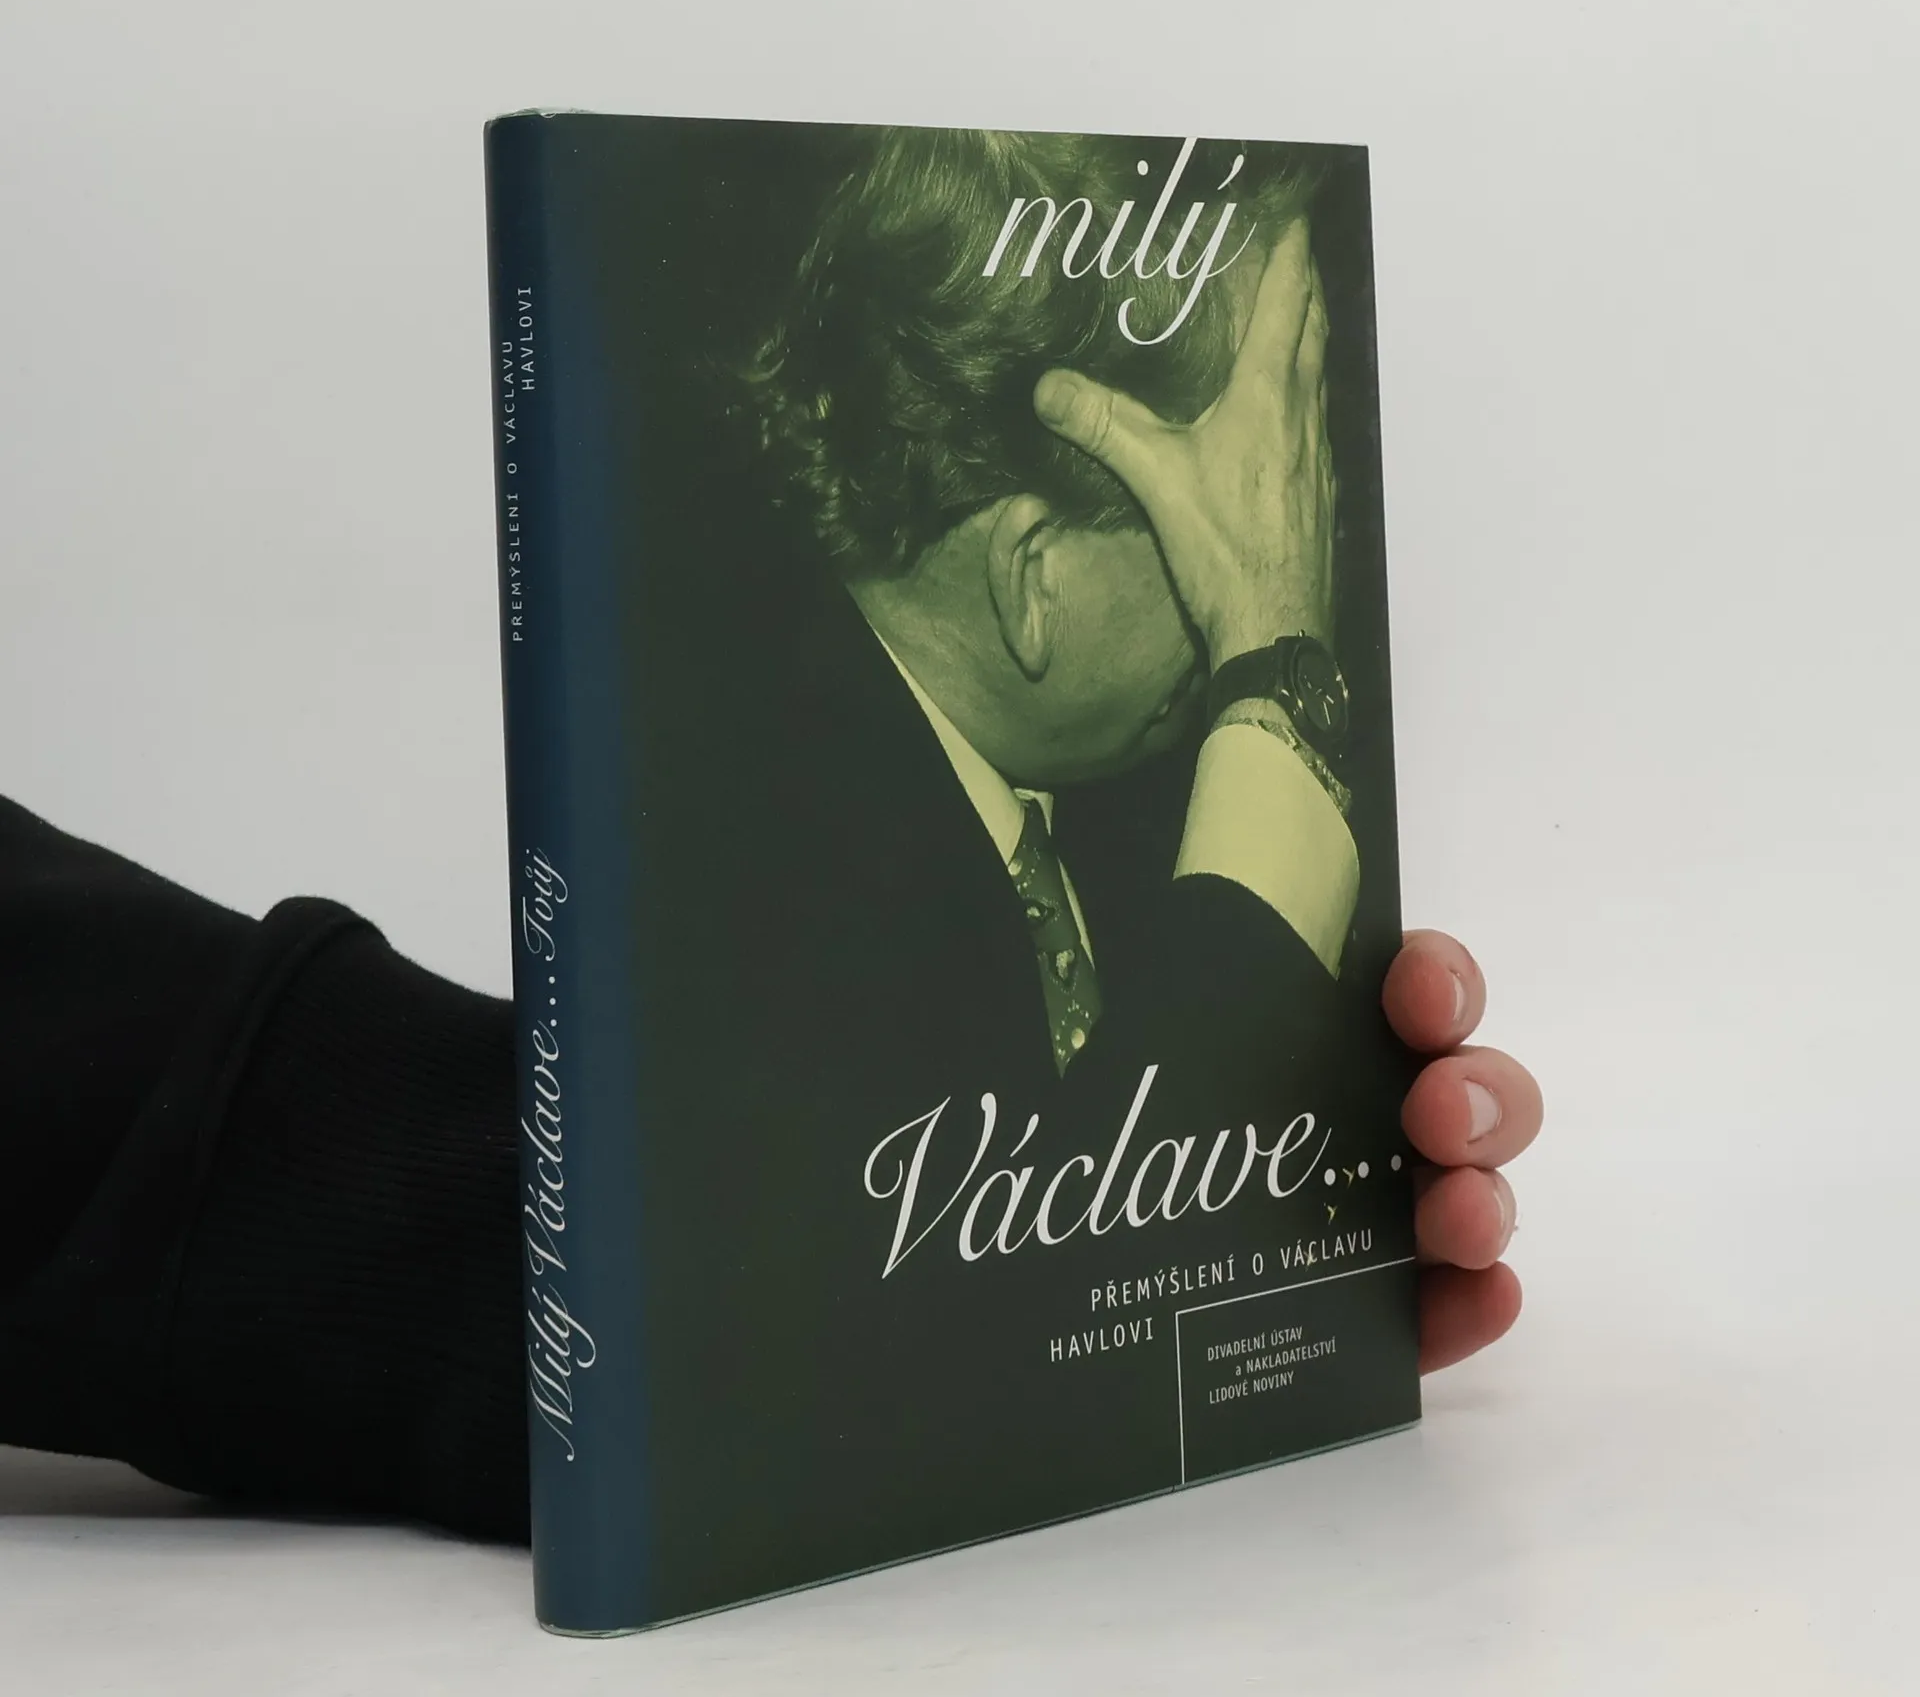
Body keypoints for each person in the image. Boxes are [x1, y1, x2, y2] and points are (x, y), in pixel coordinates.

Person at [0, 125, 1541, 1566]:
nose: (1300, 564)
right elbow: (910, 1376)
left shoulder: (1033, 814)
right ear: (1032, 578)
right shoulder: (771, 859)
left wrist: (1281, 1299)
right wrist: (1278, 684)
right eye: (1262, 518)